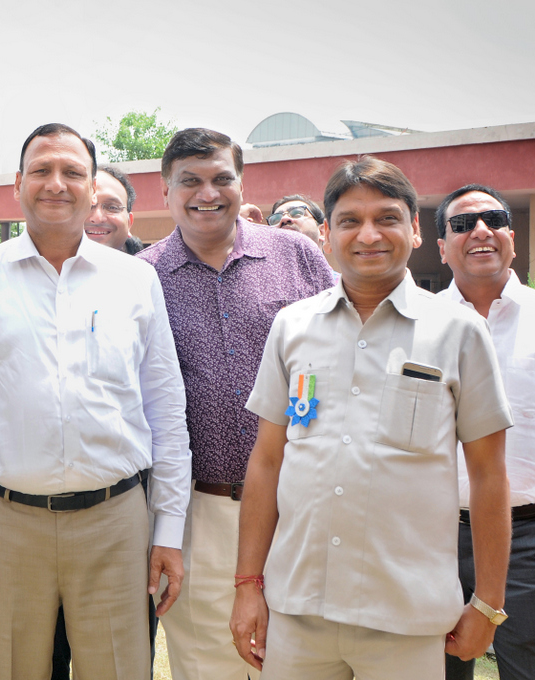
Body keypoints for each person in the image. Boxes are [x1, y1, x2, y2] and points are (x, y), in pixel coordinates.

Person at [0, 123, 190, 680]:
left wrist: (169, 531)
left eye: (72, 172)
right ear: (18, 184)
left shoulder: (135, 281)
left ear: (92, 187)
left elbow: (165, 409)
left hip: (116, 523)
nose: (55, 184)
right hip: (3, 522)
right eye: (41, 170)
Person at [231, 158, 512, 680]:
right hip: (298, 605)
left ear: (414, 230)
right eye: (349, 220)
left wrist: (487, 603)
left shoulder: (459, 333)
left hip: (405, 615)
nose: (368, 235)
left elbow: (490, 475)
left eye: (386, 218)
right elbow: (268, 461)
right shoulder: (292, 327)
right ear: (327, 236)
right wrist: (248, 584)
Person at [137, 128, 333, 680]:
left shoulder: (295, 256)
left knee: (302, 662)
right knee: (206, 664)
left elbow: (330, 359)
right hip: (196, 511)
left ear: (241, 182)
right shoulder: (142, 278)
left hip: (299, 504)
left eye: (222, 178)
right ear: (166, 189)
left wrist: (305, 417)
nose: (208, 192)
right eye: (190, 181)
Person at [53, 163, 153, 680]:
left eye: (112, 206)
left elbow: (165, 403)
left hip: (124, 508)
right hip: (27, 517)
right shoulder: (9, 280)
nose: (98, 215)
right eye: (92, 202)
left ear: (130, 218)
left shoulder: (149, 282)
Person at [436, 183, 535, 680]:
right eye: (461, 223)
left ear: (512, 237)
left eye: (494, 220)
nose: (480, 231)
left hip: (527, 541)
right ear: (441, 247)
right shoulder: (417, 325)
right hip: (430, 539)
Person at [84, 165, 139, 251]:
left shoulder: (145, 264)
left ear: (129, 222)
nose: (97, 218)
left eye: (112, 207)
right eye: (88, 205)